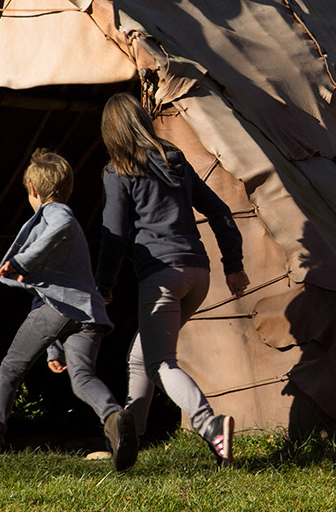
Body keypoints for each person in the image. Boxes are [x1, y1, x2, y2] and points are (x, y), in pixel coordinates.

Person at [96, 92, 247, 466]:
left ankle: (211, 427)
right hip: (199, 273)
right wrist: (233, 264)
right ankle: (130, 439)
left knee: (161, 362)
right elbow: (221, 211)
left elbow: (112, 235)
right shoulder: (175, 162)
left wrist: (104, 285)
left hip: (162, 275)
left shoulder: (120, 171)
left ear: (111, 132)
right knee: (140, 356)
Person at [0, 149, 135, 469]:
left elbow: (56, 234)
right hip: (87, 314)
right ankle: (114, 417)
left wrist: (22, 261)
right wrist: (53, 350)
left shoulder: (56, 214)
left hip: (62, 309)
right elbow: (47, 288)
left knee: (10, 369)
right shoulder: (64, 222)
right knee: (82, 376)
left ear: (33, 190)